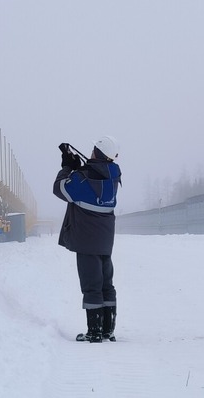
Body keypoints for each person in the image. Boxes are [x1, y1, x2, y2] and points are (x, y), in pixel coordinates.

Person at [53, 135, 122, 343]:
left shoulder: (83, 178)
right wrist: (80, 168)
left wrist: (67, 167)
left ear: (98, 153)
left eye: (93, 150)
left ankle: (94, 332)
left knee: (91, 285)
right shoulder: (112, 178)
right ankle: (108, 330)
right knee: (106, 284)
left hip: (86, 239)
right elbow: (94, 177)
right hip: (104, 240)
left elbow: (60, 188)